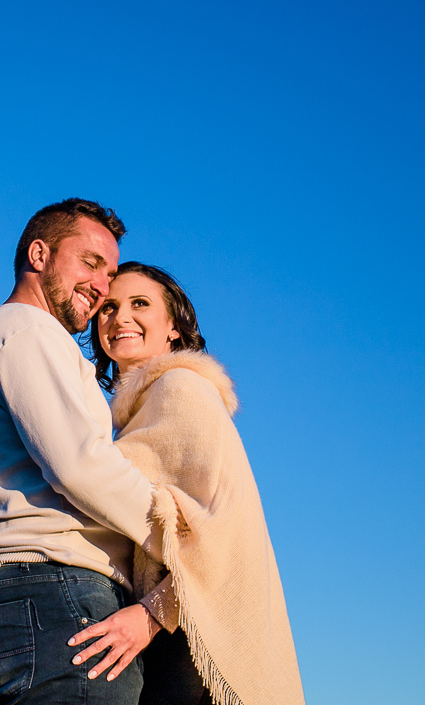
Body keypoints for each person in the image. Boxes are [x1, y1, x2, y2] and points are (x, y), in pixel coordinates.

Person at [0, 200, 170, 705]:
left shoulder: (16, 337)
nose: (101, 285)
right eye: (90, 263)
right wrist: (176, 533)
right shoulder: (26, 330)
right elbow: (80, 464)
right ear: (39, 254)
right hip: (52, 592)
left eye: (110, 274)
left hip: (28, 597)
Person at [68, 262, 305, 705]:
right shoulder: (138, 413)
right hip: (174, 633)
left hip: (193, 643)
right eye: (108, 307)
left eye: (140, 304)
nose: (119, 318)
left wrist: (151, 616)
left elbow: (225, 534)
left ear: (173, 328)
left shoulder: (181, 390)